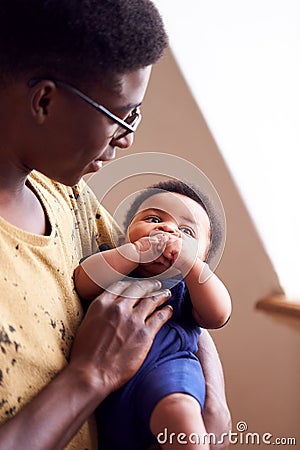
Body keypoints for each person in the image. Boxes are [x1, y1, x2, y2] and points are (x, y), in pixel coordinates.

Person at [0, 1, 231, 449]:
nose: (128, 138)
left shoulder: (67, 197)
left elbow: (174, 292)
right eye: (121, 115)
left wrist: (214, 403)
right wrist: (92, 374)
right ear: (44, 100)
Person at [74, 179, 232, 449]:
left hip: (168, 371)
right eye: (153, 218)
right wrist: (133, 253)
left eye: (186, 231)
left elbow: (219, 315)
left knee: (180, 415)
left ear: (202, 259)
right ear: (125, 235)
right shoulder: (113, 265)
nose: (168, 229)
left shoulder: (188, 287)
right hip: (107, 388)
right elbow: (83, 282)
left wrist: (190, 266)